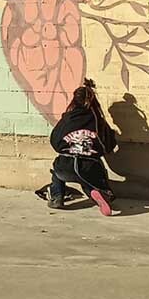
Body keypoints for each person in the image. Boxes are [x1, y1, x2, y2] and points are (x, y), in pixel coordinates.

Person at [47, 79, 118, 216]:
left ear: (74, 100)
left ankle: (57, 197)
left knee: (56, 170)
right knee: (89, 180)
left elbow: (55, 141)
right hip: (90, 166)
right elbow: (108, 145)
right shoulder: (98, 120)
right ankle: (99, 192)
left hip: (65, 166)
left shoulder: (67, 119)